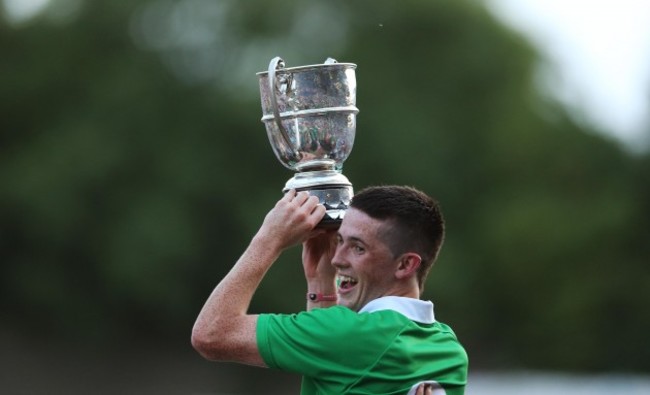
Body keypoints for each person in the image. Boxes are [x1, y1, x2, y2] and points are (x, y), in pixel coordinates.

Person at [191, 185, 468, 394]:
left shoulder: (352, 335)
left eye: (358, 247)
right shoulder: (449, 350)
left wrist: (268, 239)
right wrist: (320, 286)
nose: (337, 259)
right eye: (339, 241)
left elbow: (213, 333)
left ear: (406, 264)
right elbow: (336, 370)